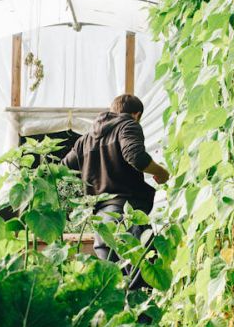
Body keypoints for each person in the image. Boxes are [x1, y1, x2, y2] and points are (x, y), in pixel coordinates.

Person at [61, 95, 170, 285]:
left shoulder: (86, 139)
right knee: (141, 286)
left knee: (115, 288)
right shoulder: (128, 125)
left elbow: (62, 168)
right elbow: (136, 157)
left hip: (101, 224)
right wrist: (161, 172)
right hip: (126, 218)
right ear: (136, 115)